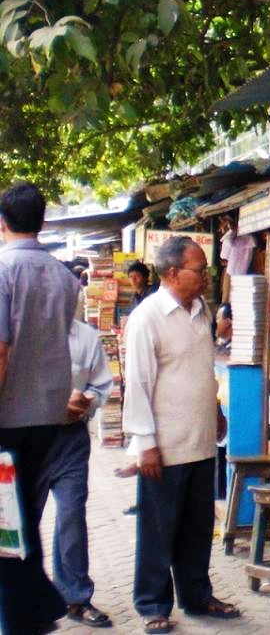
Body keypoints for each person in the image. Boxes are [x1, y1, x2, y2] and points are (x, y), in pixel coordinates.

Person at [123, 236, 240, 633]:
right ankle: (153, 603)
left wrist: (216, 413)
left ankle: (196, 594)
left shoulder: (201, 311)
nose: (206, 276)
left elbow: (202, 369)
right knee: (158, 530)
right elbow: (137, 384)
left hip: (200, 438)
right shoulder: (148, 317)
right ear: (172, 273)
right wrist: (145, 445)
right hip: (165, 445)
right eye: (199, 269)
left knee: (195, 528)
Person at [0, 181, 79, 634]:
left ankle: (28, 611)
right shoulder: (63, 276)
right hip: (48, 416)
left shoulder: (4, 271)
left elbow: (2, 351)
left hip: (8, 416)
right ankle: (37, 605)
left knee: (9, 522)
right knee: (22, 511)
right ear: (43, 221)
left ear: (3, 222)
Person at [34, 319, 114, 628]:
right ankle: (26, 596)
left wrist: (85, 401)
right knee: (23, 520)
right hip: (28, 439)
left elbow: (100, 384)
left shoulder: (85, 335)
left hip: (70, 440)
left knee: (71, 514)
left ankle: (75, 597)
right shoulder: (18, 331)